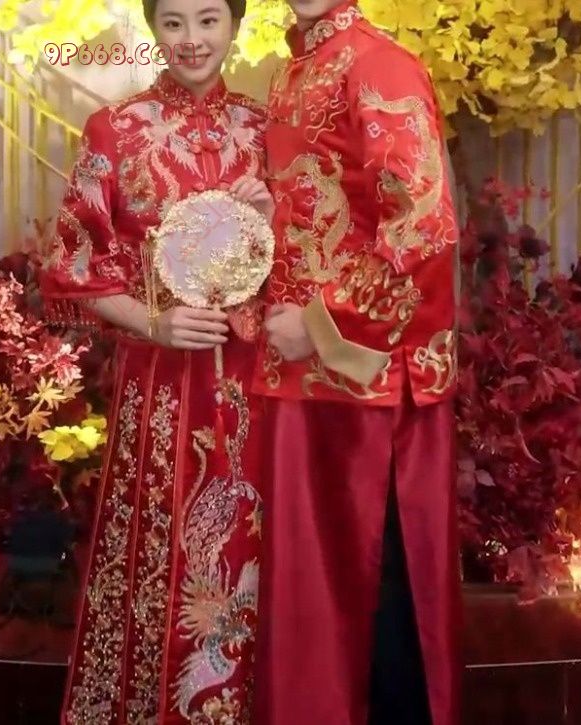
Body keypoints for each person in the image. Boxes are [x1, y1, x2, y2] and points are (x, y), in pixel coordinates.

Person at [39, 1, 272, 722]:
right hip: (162, 385)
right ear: (151, 26)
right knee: (160, 549)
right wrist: (154, 323)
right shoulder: (115, 129)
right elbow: (71, 264)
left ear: (235, 23)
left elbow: (304, 270)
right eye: (173, 22)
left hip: (256, 384)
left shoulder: (267, 132)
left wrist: (272, 218)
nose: (192, 40)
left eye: (208, 20)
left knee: (257, 548)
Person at [252, 2, 461, 725]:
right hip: (303, 378)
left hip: (366, 383)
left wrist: (319, 325)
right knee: (317, 607)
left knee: (375, 611)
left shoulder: (379, 65)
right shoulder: (294, 70)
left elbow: (422, 229)